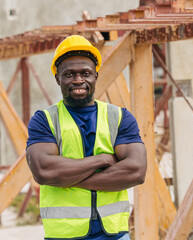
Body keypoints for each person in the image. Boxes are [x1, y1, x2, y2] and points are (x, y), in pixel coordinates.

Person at [26, 35, 147, 240]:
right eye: (69, 74)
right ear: (58, 78)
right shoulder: (44, 120)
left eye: (85, 73)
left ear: (95, 76)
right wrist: (103, 160)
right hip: (64, 235)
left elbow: (136, 171)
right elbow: (44, 170)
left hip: (114, 234)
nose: (78, 80)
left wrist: (68, 179)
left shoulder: (119, 117)